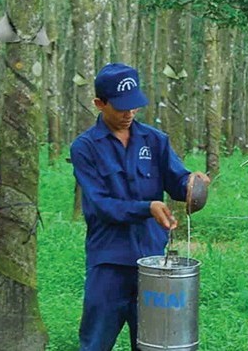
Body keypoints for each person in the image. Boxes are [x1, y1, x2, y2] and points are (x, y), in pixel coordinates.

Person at [70, 63, 210, 351]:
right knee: (95, 342)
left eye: (134, 106)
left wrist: (192, 183)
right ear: (99, 103)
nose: (129, 114)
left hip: (152, 263)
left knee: (154, 343)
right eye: (121, 107)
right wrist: (148, 207)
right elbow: (102, 206)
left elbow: (177, 180)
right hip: (108, 262)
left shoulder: (155, 141)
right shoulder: (85, 147)